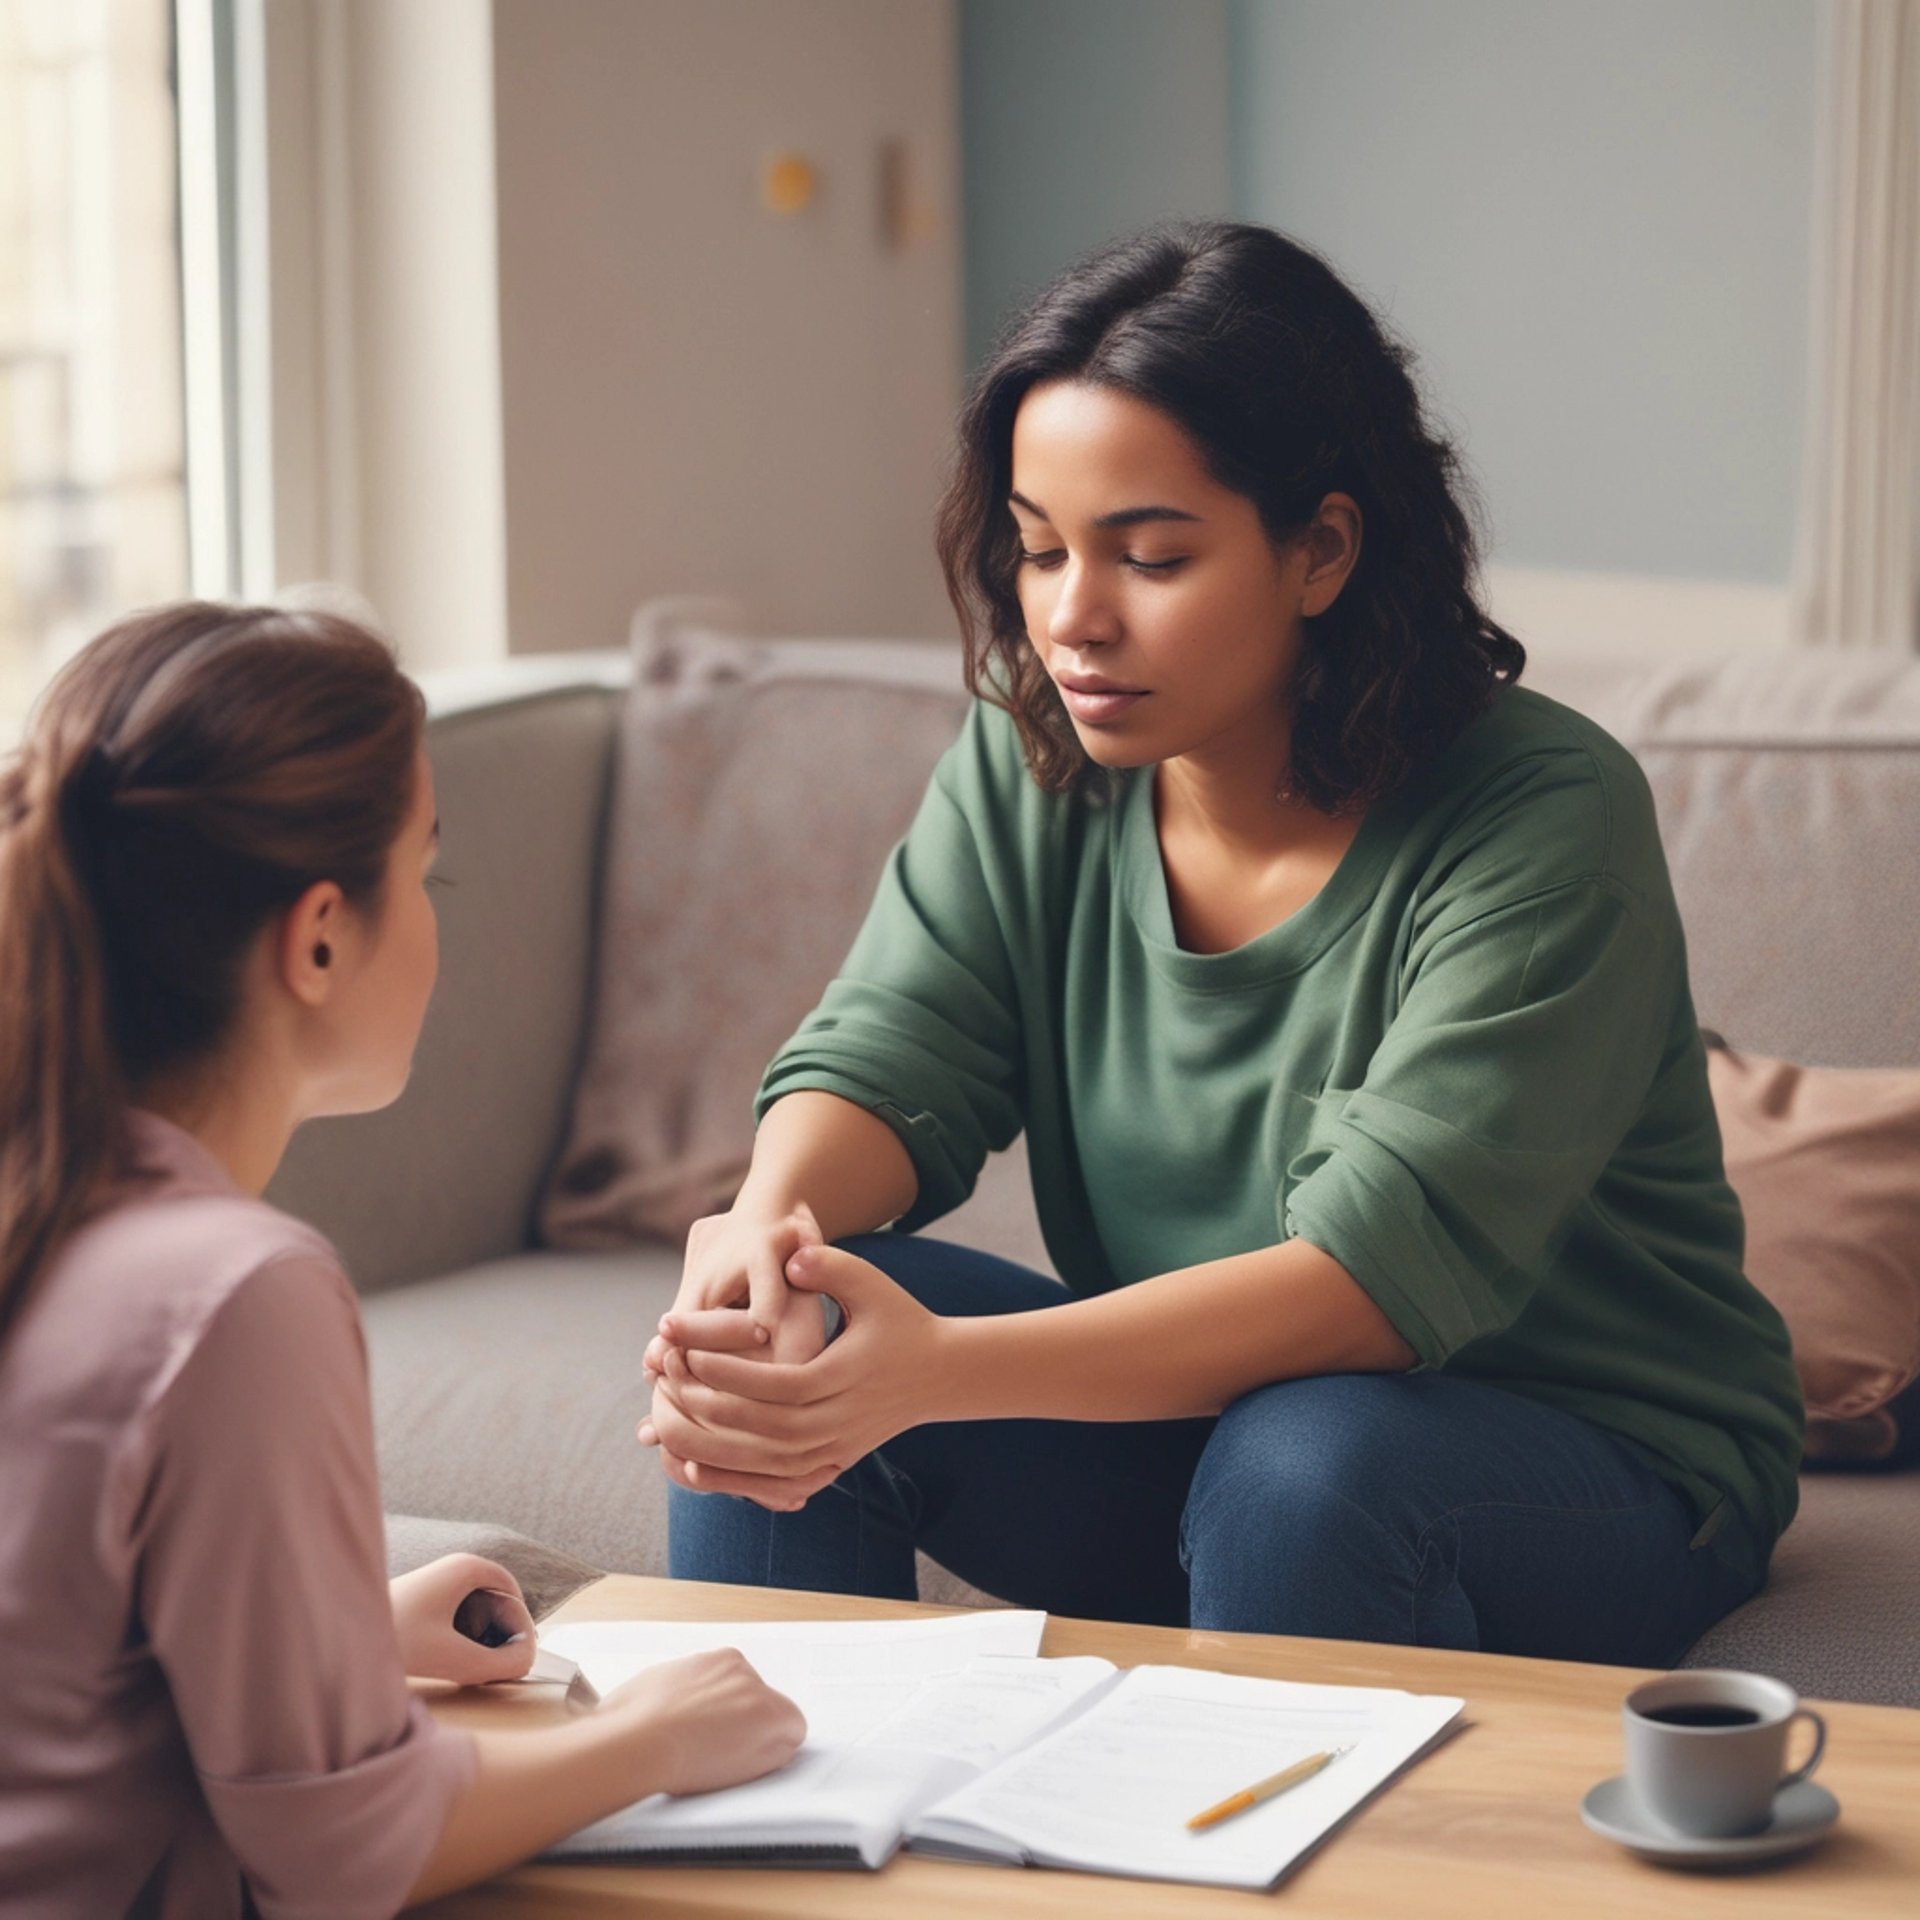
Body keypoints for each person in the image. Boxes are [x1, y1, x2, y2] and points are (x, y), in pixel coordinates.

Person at [645, 221, 1804, 1665]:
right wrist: (763, 1236)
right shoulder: (1037, 757)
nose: (1074, 618)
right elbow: (894, 1053)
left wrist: (935, 1372)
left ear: (1319, 548)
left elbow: (1373, 1283)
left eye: (1151, 555)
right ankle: (780, 1852)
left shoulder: (1542, 816)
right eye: (1039, 547)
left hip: (1591, 1469)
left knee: (1310, 1458)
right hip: (1220, 1439)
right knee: (787, 1330)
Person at [0, 603, 804, 1918]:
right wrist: (656, 1735)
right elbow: (346, 1854)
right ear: (318, 937)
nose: (436, 923)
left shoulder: (46, 1207)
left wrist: (347, 1636)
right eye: (426, 875)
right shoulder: (233, 1294)